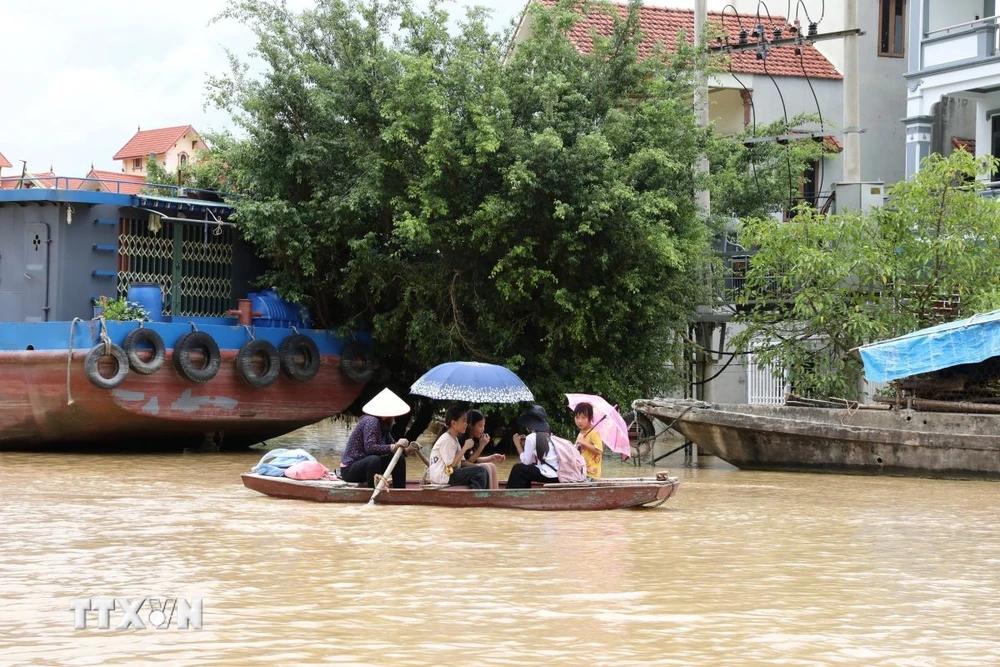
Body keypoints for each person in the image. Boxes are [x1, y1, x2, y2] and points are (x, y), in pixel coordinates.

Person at [339, 388, 416, 489]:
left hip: (368, 466)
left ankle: (400, 491)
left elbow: (393, 445)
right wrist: (393, 447)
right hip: (350, 469)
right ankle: (374, 491)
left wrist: (406, 450)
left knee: (398, 459)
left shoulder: (384, 425)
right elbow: (370, 448)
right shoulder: (371, 421)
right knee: (374, 460)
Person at [428, 406, 489, 488]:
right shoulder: (447, 439)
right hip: (443, 476)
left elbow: (462, 462)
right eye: (464, 421)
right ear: (454, 423)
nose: (466, 424)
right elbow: (451, 465)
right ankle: (475, 497)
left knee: (483, 470)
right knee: (480, 472)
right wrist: (465, 448)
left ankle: (480, 494)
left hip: (448, 473)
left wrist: (478, 466)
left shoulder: (454, 439)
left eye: (466, 421)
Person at [506, 405, 559, 489]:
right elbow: (532, 461)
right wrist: (525, 444)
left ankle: (512, 497)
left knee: (518, 469)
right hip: (557, 476)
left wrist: (517, 444)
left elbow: (526, 462)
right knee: (525, 471)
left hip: (549, 476)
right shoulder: (549, 435)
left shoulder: (531, 437)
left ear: (529, 426)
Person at [461, 409, 505, 490]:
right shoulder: (463, 439)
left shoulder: (473, 439)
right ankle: (486, 496)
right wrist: (482, 446)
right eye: (480, 426)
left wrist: (492, 457)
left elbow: (474, 459)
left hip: (468, 465)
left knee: (492, 466)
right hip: (461, 469)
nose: (483, 429)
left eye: (483, 426)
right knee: (487, 468)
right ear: (470, 425)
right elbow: (468, 461)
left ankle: (494, 495)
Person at [573, 402, 603, 480]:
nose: (579, 421)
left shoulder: (594, 433)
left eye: (583, 417)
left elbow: (599, 451)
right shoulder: (581, 433)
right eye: (577, 417)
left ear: (590, 418)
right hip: (582, 472)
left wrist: (584, 443)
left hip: (591, 475)